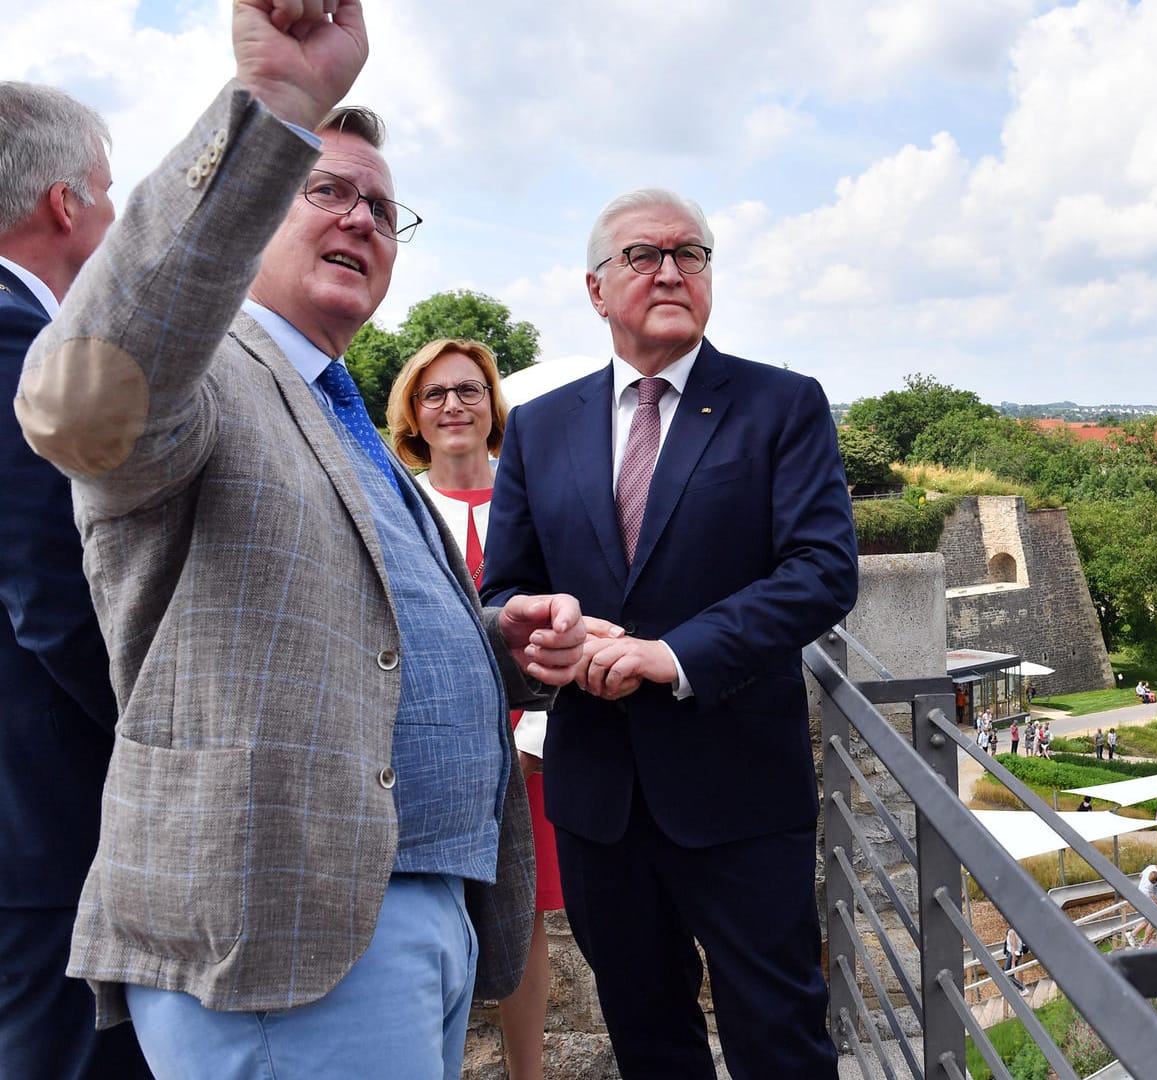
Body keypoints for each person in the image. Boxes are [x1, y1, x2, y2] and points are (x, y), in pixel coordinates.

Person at [17, 7, 593, 1076]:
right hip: (282, 940)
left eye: (384, 207)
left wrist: (495, 640)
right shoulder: (204, 373)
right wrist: (276, 104)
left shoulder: (344, 412)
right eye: (328, 189)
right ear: (252, 208)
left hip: (417, 916)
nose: (365, 219)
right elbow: (80, 403)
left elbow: (355, 624)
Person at [481, 180, 859, 1078]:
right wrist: (550, 639)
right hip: (600, 795)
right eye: (643, 256)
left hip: (740, 792)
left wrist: (673, 654)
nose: (670, 271)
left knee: (779, 1033)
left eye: (690, 254)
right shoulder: (539, 427)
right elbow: (506, 595)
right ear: (595, 287)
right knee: (648, 1036)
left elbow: (822, 570)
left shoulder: (781, 405)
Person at [0, 81, 151, 1080]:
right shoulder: (22, 351)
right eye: (105, 194)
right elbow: (53, 601)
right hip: (49, 829)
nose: (108, 216)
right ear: (65, 205)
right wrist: (157, 740)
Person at [386, 338, 562, 1080]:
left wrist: (534, 739)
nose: (454, 405)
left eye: (469, 390)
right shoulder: (394, 504)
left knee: (523, 924)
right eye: (435, 395)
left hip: (538, 752)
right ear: (413, 417)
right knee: (435, 921)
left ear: (493, 407)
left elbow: (559, 629)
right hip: (433, 753)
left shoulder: (542, 501)